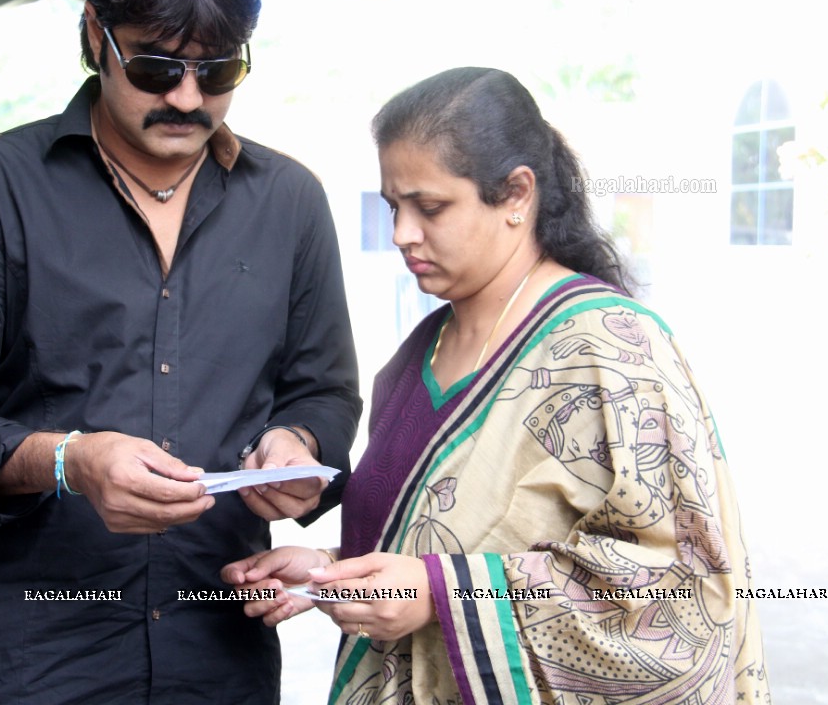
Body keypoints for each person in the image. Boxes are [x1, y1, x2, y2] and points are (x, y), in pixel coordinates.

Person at [0, 0, 361, 703]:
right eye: (155, 67)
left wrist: (298, 442)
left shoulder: (290, 202)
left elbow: (327, 389)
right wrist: (67, 461)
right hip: (38, 656)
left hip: (221, 653)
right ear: (93, 33)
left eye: (219, 71)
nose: (187, 96)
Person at [224, 68, 770, 705]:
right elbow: (432, 538)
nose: (402, 233)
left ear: (516, 194)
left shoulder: (611, 350)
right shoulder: (413, 359)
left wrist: (439, 594)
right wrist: (328, 570)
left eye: (430, 208)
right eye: (393, 207)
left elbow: (683, 596)